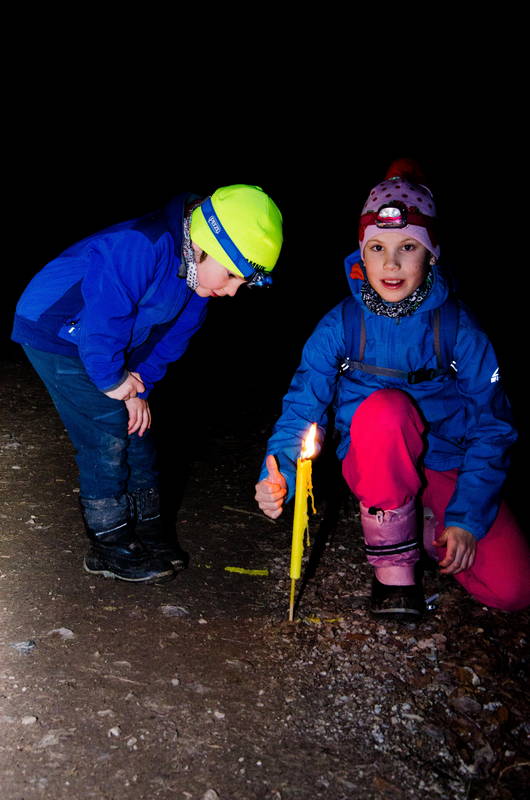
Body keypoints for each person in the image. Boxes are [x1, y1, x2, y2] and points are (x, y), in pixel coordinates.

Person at [255, 160, 530, 620]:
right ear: (361, 254)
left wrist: (466, 518)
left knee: (513, 589)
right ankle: (394, 575)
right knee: (386, 410)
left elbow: (492, 427)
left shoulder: (461, 329)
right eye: (378, 247)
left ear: (432, 254)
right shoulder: (339, 325)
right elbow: (303, 409)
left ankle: (425, 525)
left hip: (446, 464)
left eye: (408, 247)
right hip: (376, 461)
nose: (391, 263)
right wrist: (278, 472)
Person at [13, 184, 283, 583]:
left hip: (106, 345)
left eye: (241, 285)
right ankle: (109, 546)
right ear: (206, 243)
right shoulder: (140, 245)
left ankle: (148, 533)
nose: (230, 291)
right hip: (56, 331)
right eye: (230, 275)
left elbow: (167, 342)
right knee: (107, 432)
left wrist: (140, 388)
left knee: (138, 430)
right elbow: (105, 319)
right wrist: (115, 382)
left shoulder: (197, 281)